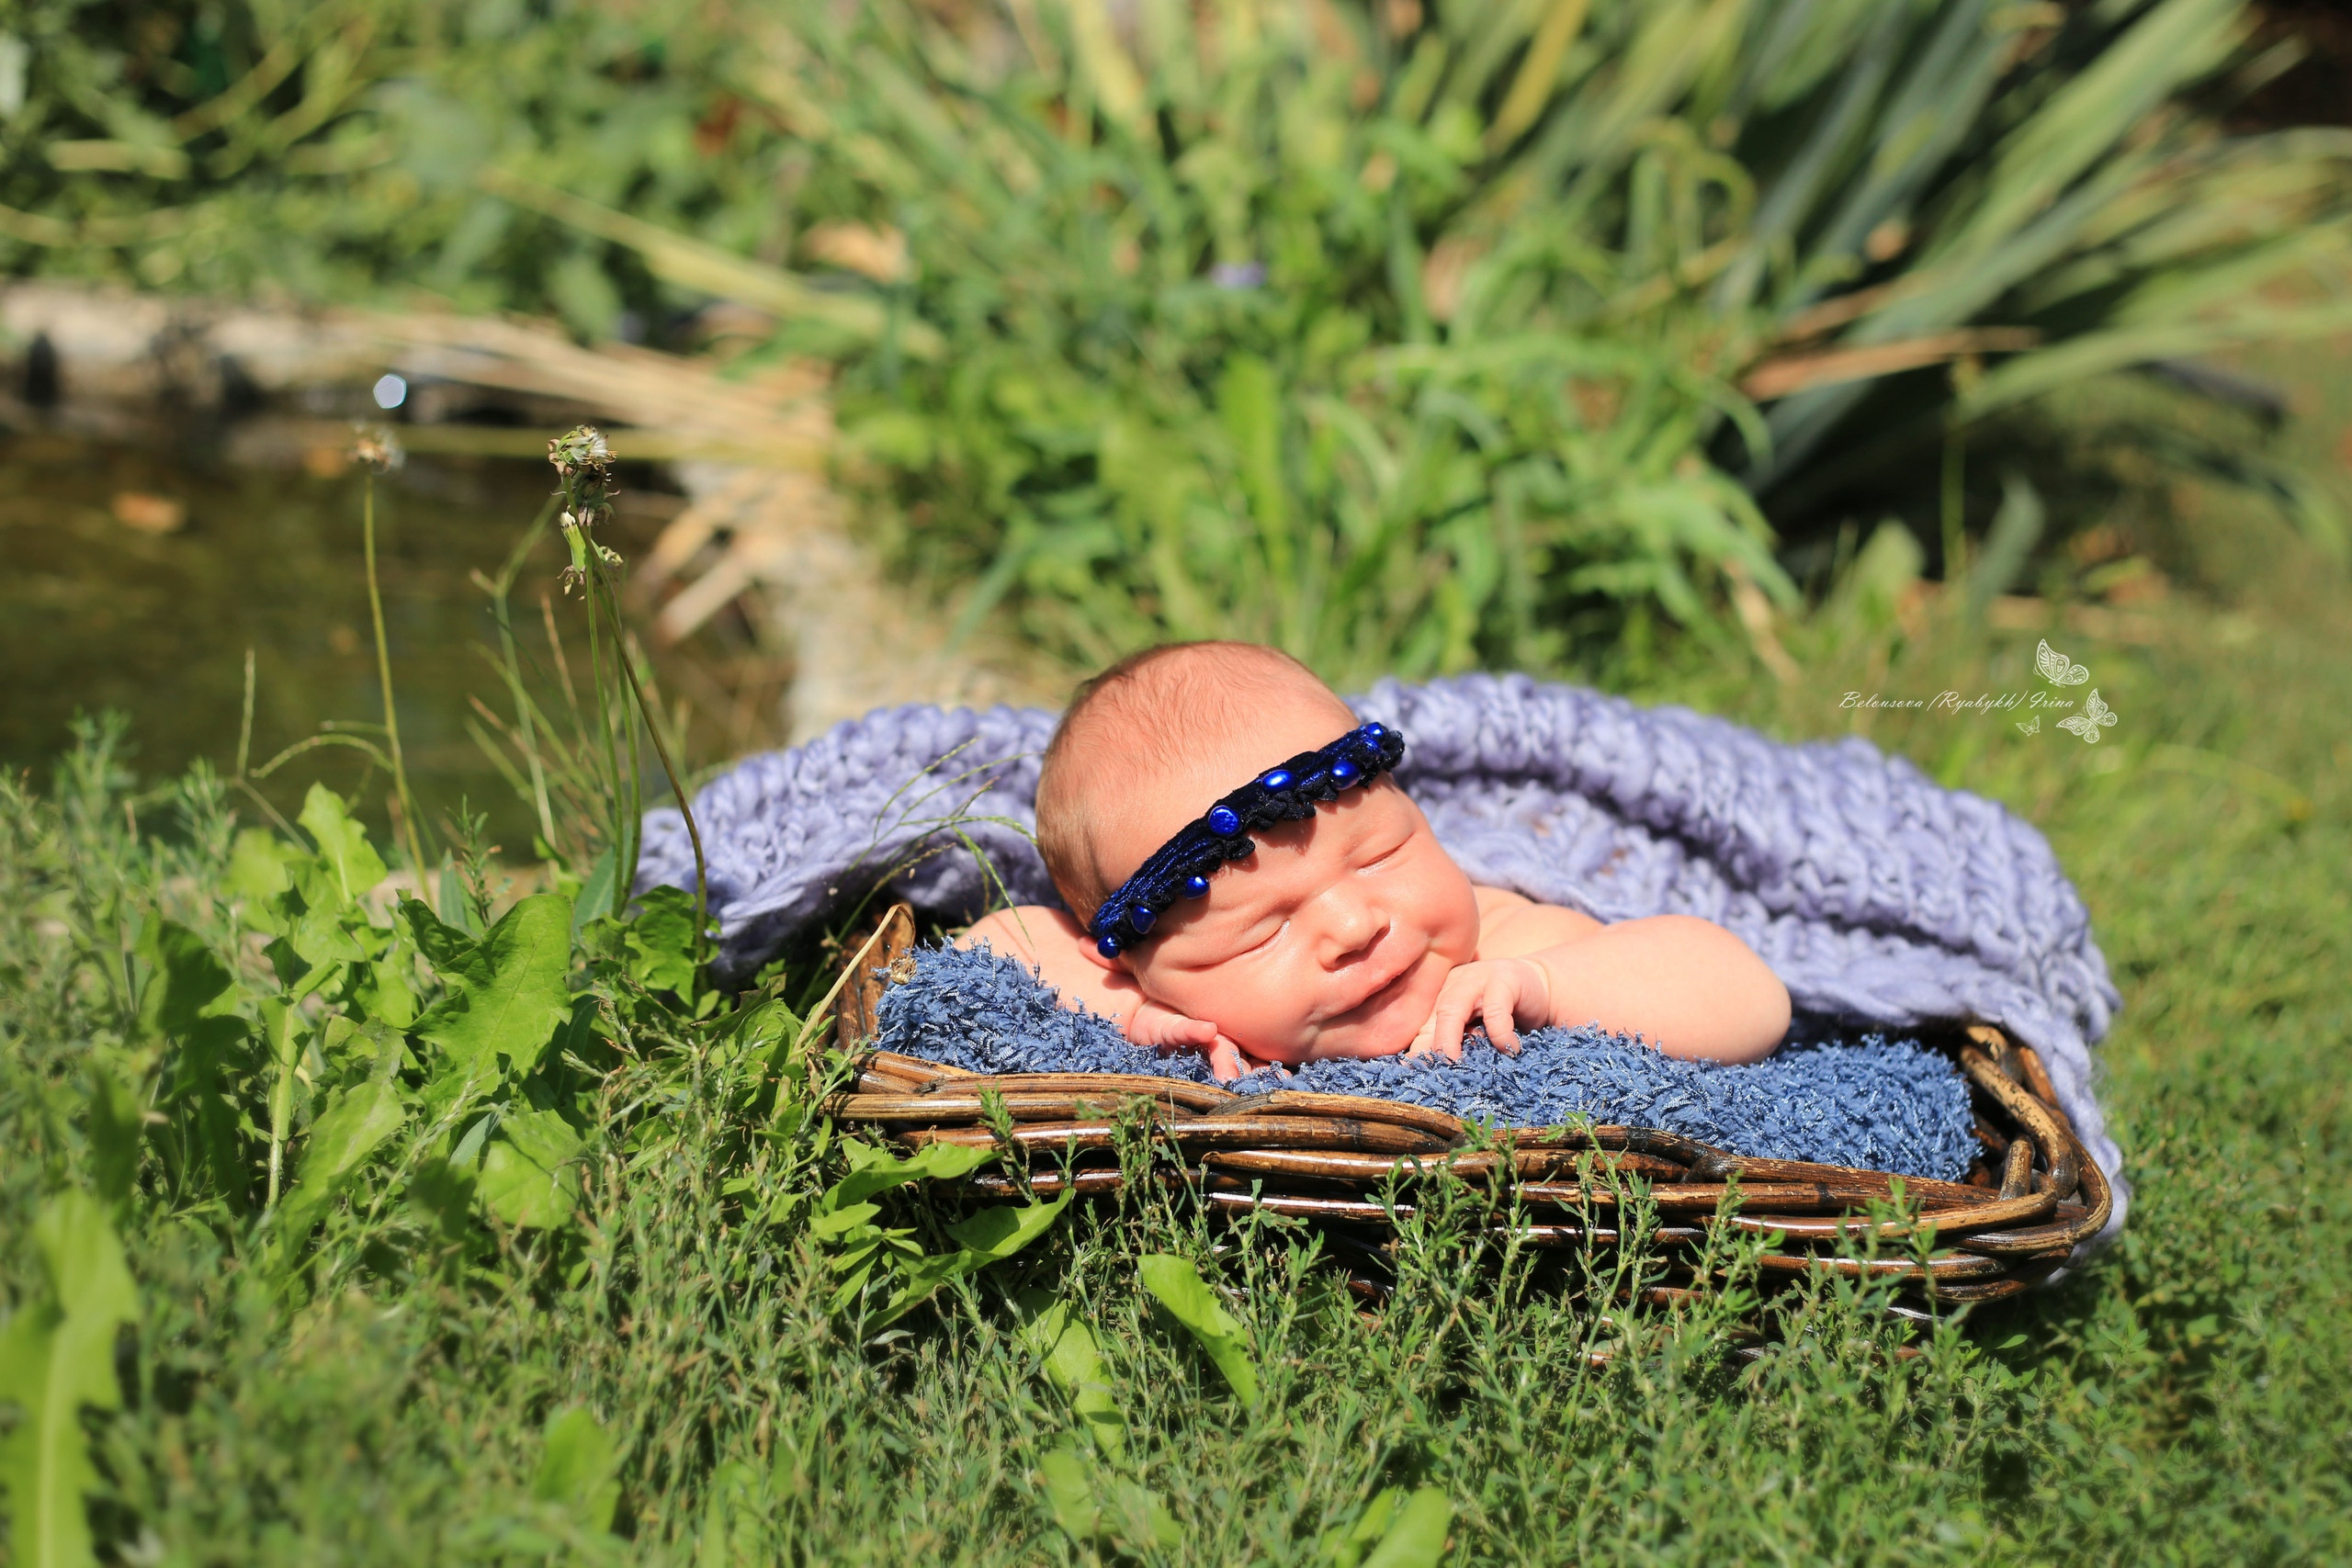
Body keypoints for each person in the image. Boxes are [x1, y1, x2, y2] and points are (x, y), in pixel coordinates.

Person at [960, 642, 1792, 1081]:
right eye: (1264, 929)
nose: (1356, 926)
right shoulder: (1162, 1006)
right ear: (1142, 964)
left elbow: (1752, 999)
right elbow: (991, 950)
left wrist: (1549, 988)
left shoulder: (1501, 941)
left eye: (1382, 856)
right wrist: (1128, 1015)